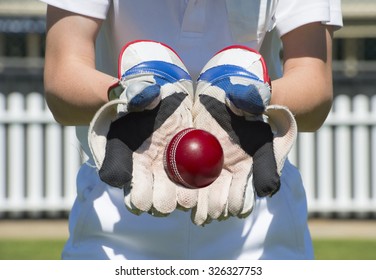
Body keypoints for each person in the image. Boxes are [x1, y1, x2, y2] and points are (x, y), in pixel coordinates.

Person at [41, 0, 342, 259]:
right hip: (119, 200)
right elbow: (61, 81)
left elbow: (314, 89)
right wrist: (125, 96)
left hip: (253, 199)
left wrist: (250, 98)